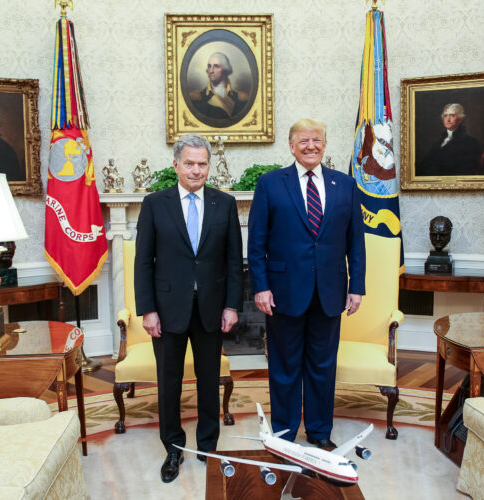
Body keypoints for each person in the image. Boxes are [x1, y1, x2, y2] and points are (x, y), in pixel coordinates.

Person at [247, 118, 366, 449]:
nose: (311, 146)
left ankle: (319, 432)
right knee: (284, 368)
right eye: (303, 141)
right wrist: (260, 286)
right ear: (291, 145)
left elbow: (356, 242)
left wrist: (356, 286)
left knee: (323, 367)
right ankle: (284, 434)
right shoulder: (270, 184)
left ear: (325, 145)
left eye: (317, 140)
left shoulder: (345, 185)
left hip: (330, 293)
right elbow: (256, 243)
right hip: (283, 293)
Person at [134, 134, 243, 483]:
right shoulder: (155, 203)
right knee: (169, 382)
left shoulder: (224, 204)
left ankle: (208, 446)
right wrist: (147, 310)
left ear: (209, 166)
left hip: (211, 307)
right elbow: (143, 263)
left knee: (209, 380)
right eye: (190, 163)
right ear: (176, 165)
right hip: (166, 310)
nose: (196, 170)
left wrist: (231, 305)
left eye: (202, 163)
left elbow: (233, 261)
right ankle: (173, 448)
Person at [416, 103, 484, 177]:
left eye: (452, 115)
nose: (448, 119)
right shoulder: (439, 142)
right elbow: (425, 164)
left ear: (460, 119)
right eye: (445, 116)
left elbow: (467, 170)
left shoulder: (470, 143)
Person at [189, 52, 248, 121]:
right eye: (209, 66)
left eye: (216, 66)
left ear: (225, 69)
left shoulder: (241, 98)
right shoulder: (197, 97)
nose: (211, 71)